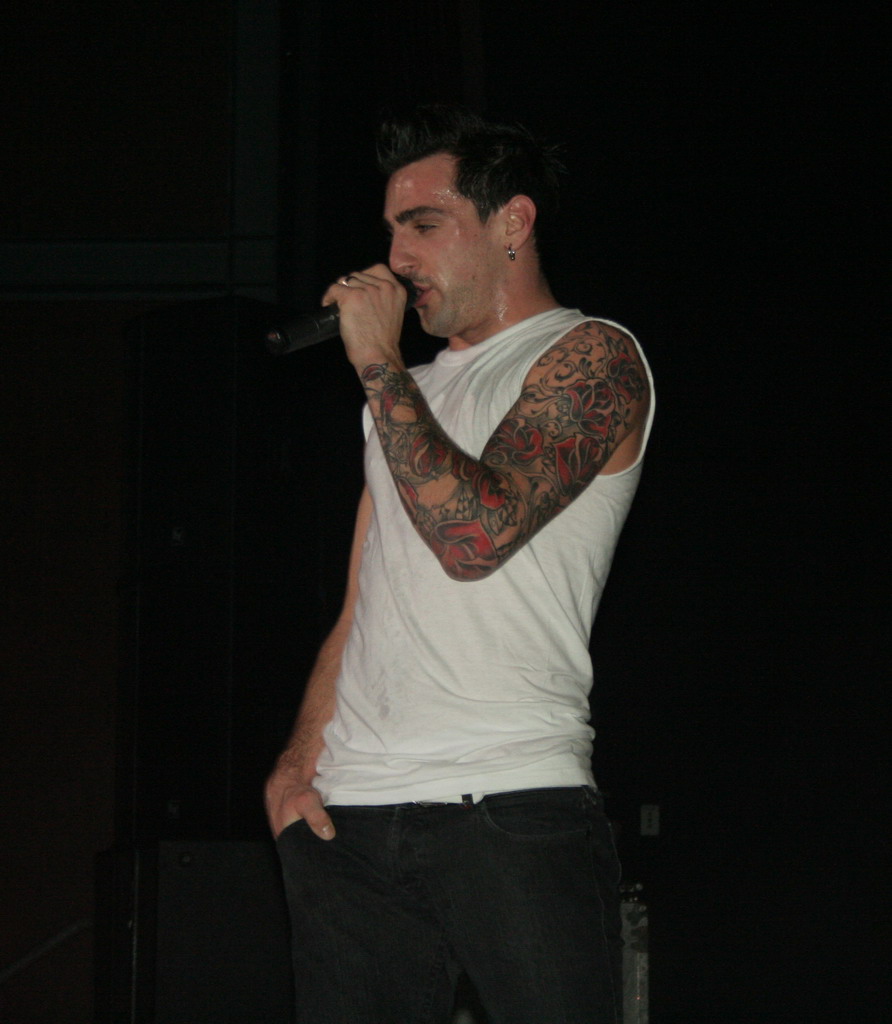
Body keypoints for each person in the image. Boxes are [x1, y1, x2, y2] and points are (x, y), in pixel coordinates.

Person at [265, 105, 654, 1024]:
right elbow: (366, 595)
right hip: (351, 813)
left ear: (512, 223)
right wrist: (297, 766)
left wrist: (376, 361)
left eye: (425, 225)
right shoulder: (406, 394)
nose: (396, 258)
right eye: (390, 230)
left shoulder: (591, 356)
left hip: (508, 802)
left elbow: (475, 537)